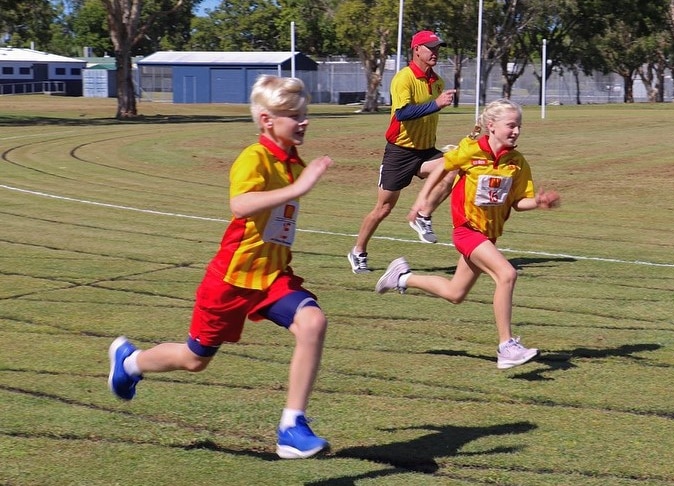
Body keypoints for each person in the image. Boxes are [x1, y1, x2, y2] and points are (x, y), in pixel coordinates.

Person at [107, 75, 333, 459]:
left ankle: (291, 426)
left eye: (304, 113)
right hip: (232, 278)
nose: (303, 121)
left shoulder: (295, 163)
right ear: (266, 120)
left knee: (313, 322)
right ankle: (130, 362)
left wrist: (299, 183)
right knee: (195, 360)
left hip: (272, 275)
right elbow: (241, 204)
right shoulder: (254, 157)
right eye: (294, 115)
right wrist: (299, 189)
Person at [375, 99, 561, 370]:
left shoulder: (517, 163)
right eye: (511, 125)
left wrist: (539, 202)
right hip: (467, 231)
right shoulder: (471, 151)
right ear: (491, 126)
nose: (516, 131)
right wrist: (421, 202)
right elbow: (441, 169)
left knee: (455, 293)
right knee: (507, 274)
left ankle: (402, 277)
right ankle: (506, 345)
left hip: (489, 235)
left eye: (519, 126)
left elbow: (518, 202)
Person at [347, 30, 457, 274]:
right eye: (430, 48)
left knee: (453, 166)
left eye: (438, 48)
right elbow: (402, 113)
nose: (435, 53)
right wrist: (436, 104)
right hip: (399, 152)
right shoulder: (403, 79)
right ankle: (358, 252)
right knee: (383, 209)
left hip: (426, 151)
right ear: (416, 49)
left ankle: (423, 215)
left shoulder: (437, 81)